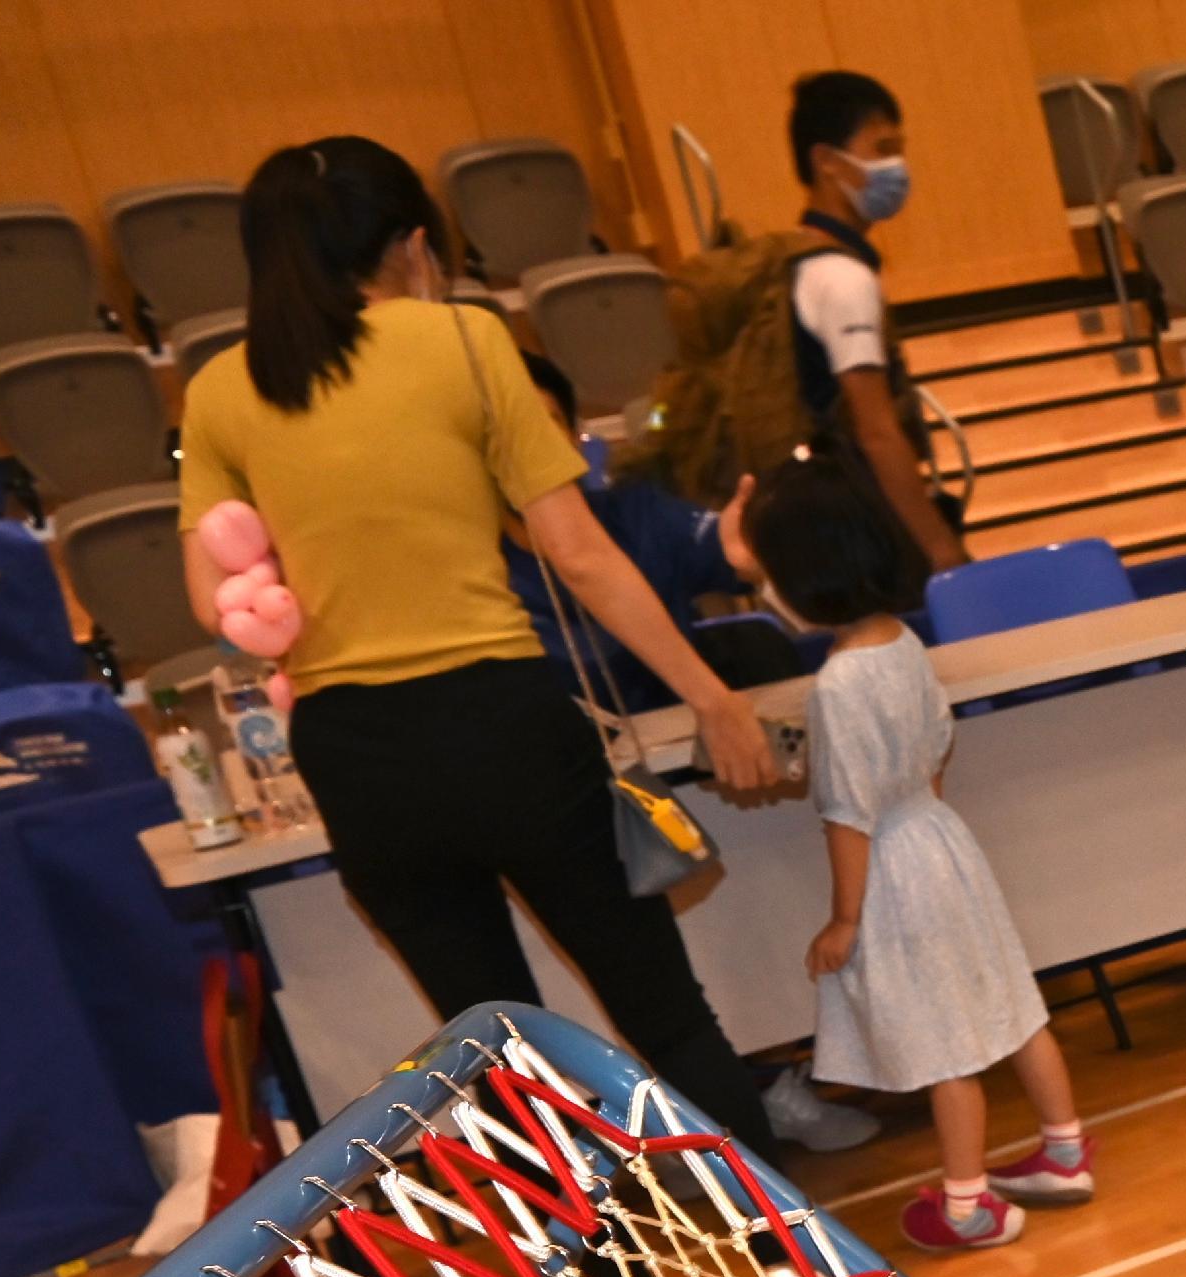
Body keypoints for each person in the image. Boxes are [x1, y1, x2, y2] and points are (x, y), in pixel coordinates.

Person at [176, 137, 791, 1158]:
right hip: (501, 723)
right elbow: (578, 554)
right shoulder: (462, 340)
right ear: (414, 245)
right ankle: (787, 1262)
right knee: (660, 1007)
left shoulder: (221, 389)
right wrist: (712, 697)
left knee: (498, 1053)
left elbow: (214, 594)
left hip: (356, 754)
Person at [741, 459, 1090, 1253]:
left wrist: (843, 919)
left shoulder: (836, 684)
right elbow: (934, 751)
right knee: (1011, 1003)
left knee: (944, 1045)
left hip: (894, 869)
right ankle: (1065, 1149)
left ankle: (966, 1205)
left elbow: (846, 816)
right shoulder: (901, 641)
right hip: (942, 839)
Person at [508, 353, 808, 711]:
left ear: (575, 439)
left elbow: (728, 549)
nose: (531, 450)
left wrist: (754, 550)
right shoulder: (465, 565)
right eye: (510, 433)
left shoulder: (638, 513)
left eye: (545, 427)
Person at [788, 69, 964, 570]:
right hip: (861, 531)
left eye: (899, 148)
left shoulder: (803, 259)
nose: (897, 166)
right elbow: (876, 431)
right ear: (826, 161)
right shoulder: (842, 278)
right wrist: (940, 549)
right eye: (880, 148)